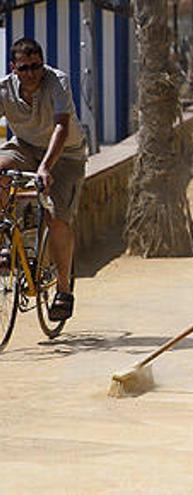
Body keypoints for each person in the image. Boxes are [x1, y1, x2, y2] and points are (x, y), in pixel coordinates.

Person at [0, 38, 87, 321]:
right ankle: (5, 242)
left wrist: (46, 167)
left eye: (36, 66)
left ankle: (63, 290)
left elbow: (61, 127)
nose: (31, 74)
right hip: (25, 147)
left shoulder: (56, 82)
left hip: (65, 154)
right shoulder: (4, 89)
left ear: (42, 63)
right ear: (14, 68)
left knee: (56, 217)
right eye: (24, 68)